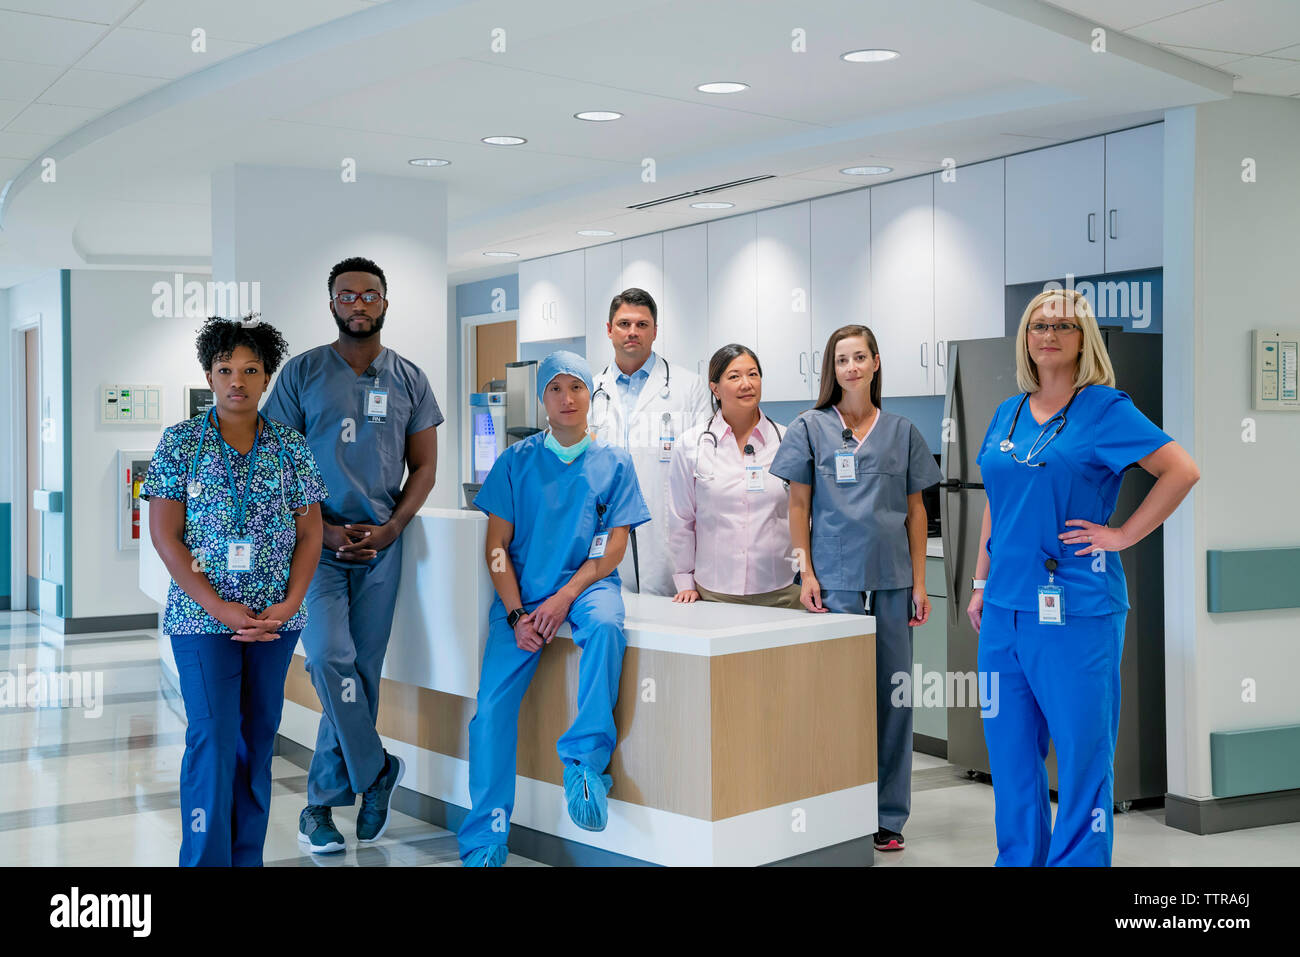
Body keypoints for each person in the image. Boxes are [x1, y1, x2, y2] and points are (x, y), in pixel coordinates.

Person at [968, 289, 1198, 867]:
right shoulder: (1008, 411)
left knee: (1080, 758)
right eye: (1039, 325)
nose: (1050, 334)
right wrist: (979, 581)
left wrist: (1120, 535)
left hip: (1077, 609)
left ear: (1082, 340)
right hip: (1003, 610)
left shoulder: (1103, 409)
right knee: (1013, 760)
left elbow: (1180, 470)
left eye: (1064, 326)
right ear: (1025, 338)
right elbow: (998, 498)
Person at [261, 256, 443, 854]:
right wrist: (323, 529)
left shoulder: (410, 379)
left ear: (385, 304)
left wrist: (393, 527)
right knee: (329, 660)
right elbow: (275, 466)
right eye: (347, 295)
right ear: (332, 303)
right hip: (316, 545)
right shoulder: (302, 374)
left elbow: (425, 468)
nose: (358, 304)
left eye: (369, 295)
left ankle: (318, 808)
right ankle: (377, 771)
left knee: (360, 674)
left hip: (382, 548)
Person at [143, 316, 328, 867]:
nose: (237, 381)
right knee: (213, 738)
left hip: (273, 621)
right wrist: (220, 607)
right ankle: (204, 861)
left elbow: (311, 530)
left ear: (267, 376)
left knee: (257, 741)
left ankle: (245, 858)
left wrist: (291, 604)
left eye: (250, 370)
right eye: (226, 370)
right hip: (203, 622)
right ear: (209, 375)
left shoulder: (291, 447)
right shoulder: (180, 443)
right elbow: (164, 534)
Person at [458, 351, 650, 867]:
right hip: (523, 594)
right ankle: (485, 839)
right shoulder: (515, 462)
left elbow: (613, 550)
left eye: (577, 388)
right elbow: (496, 546)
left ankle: (584, 763)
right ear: (542, 398)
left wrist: (566, 597)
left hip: (587, 587)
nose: (567, 399)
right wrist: (518, 613)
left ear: (592, 396)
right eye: (556, 389)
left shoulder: (615, 463)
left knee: (608, 627)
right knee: (491, 711)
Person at [769, 324, 941, 853]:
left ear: (875, 362)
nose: (851, 367)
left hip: (892, 582)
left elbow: (916, 512)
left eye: (859, 357)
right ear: (832, 368)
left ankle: (888, 815)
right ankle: (840, 813)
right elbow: (798, 507)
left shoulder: (903, 431)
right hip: (836, 584)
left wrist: (920, 582)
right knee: (839, 702)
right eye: (842, 359)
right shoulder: (810, 427)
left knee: (894, 700)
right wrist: (807, 573)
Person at [589, 288, 711, 596]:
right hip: (605, 529)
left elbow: (705, 468)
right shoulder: (589, 390)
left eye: (642, 325)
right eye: (624, 324)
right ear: (609, 329)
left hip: (668, 529)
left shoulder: (689, 387)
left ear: (655, 332)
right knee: (618, 619)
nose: (633, 332)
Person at [667, 343, 799, 608]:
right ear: (714, 388)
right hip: (713, 591)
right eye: (734, 376)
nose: (746, 383)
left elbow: (803, 515)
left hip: (779, 589)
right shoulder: (691, 444)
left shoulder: (787, 441)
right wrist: (685, 581)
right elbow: (681, 519)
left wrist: (806, 571)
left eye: (753, 374)